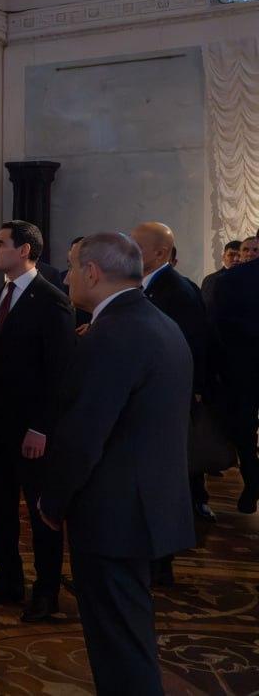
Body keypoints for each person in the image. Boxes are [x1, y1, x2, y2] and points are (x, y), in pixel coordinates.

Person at [39, 233, 196, 696]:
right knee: (127, 632)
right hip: (144, 503)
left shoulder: (111, 334)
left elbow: (83, 435)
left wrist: (53, 501)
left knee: (118, 645)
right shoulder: (156, 321)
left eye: (72, 267)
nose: (66, 277)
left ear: (92, 272)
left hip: (114, 512)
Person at [0, 220, 75, 623]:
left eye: (0, 243)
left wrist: (41, 427)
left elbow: (59, 372)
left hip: (33, 430)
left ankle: (46, 591)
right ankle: (9, 579)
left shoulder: (51, 300)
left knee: (40, 514)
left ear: (23, 250)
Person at [131, 222, 215, 548]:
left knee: (167, 477)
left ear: (160, 253)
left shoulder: (177, 291)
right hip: (150, 398)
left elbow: (191, 347)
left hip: (166, 401)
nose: (130, 253)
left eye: (137, 248)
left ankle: (164, 550)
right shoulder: (148, 285)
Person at [210, 231, 259, 514]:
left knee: (244, 431)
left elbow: (218, 329)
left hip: (242, 370)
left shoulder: (231, 279)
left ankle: (252, 482)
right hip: (242, 369)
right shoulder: (229, 279)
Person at [201, 240, 242, 310]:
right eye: (231, 255)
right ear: (223, 257)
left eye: (239, 255)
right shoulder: (210, 279)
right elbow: (206, 305)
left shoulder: (251, 279)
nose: (236, 259)